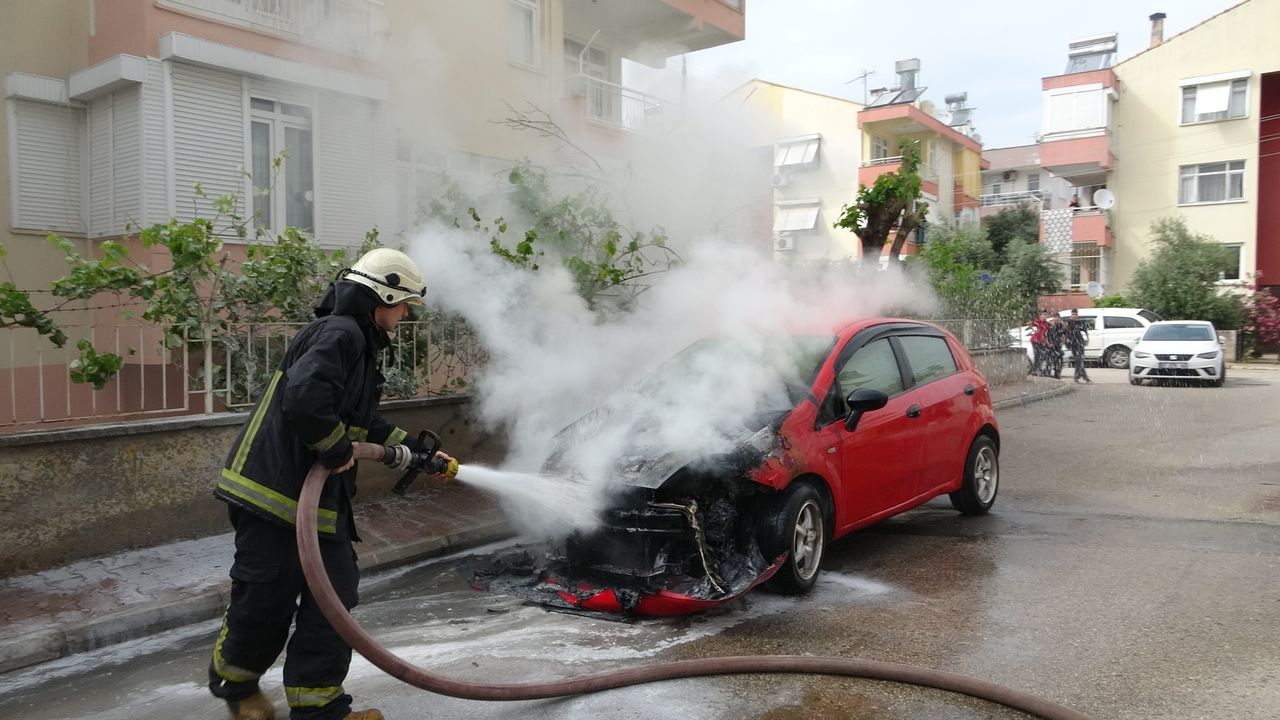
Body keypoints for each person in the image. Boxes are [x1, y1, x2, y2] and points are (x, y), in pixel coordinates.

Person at [208, 248, 451, 720]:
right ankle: (237, 688)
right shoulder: (340, 334)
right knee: (266, 600)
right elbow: (304, 400)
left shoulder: (356, 342)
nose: (405, 315)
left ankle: (319, 708)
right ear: (383, 296)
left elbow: (363, 423)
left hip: (316, 503)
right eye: (403, 304)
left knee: (334, 597)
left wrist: (417, 453)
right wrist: (336, 450)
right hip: (273, 494)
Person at [1065, 308, 1092, 384]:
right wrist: (1066, 341)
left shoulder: (1080, 322)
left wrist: (1087, 339)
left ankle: (1080, 378)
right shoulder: (1068, 322)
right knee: (1078, 360)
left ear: (1077, 315)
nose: (1074, 315)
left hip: (1080, 342)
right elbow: (1065, 332)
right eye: (1073, 314)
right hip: (1073, 343)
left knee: (1079, 360)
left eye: (1075, 314)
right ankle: (1082, 378)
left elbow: (1085, 331)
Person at [1029, 311, 1050, 376]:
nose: (1045, 316)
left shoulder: (1046, 324)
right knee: (1037, 354)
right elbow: (1029, 323)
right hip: (1035, 340)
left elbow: (1045, 334)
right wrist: (1034, 330)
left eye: (1046, 315)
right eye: (1044, 314)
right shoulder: (1038, 322)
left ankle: (1037, 369)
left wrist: (1046, 342)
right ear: (1041, 316)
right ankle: (1035, 370)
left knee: (1041, 355)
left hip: (1041, 341)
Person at [1046, 313, 1066, 380]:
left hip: (1058, 346)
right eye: (1055, 317)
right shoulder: (1049, 326)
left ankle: (1057, 374)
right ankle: (1048, 373)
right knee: (1050, 360)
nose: (1056, 319)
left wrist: (1062, 343)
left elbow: (1063, 334)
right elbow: (1045, 336)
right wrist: (1049, 344)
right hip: (1050, 346)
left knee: (1059, 360)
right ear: (1053, 318)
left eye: (1058, 317)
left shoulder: (1060, 326)